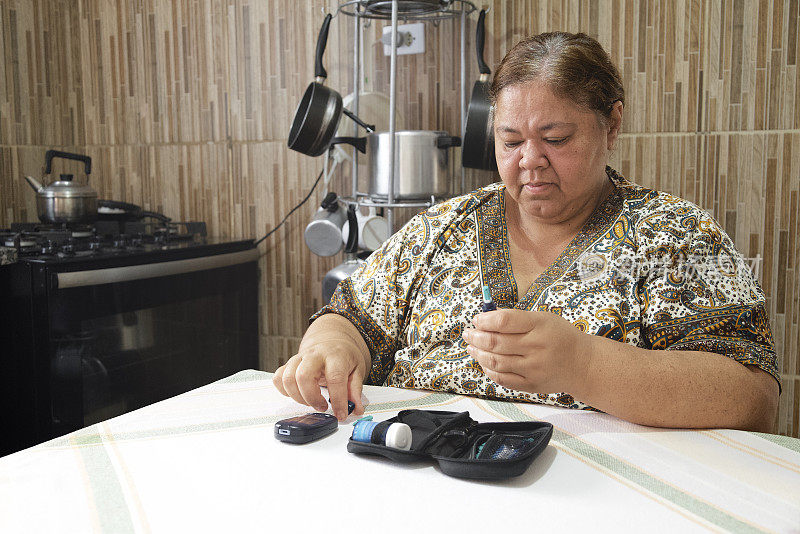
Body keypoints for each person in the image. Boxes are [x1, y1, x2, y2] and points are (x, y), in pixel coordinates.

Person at [274, 32, 779, 432]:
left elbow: (753, 398)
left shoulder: (674, 236)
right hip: (420, 477)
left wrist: (584, 364)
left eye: (555, 139)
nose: (529, 161)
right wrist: (332, 348)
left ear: (612, 125)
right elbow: (350, 318)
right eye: (510, 140)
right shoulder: (440, 230)